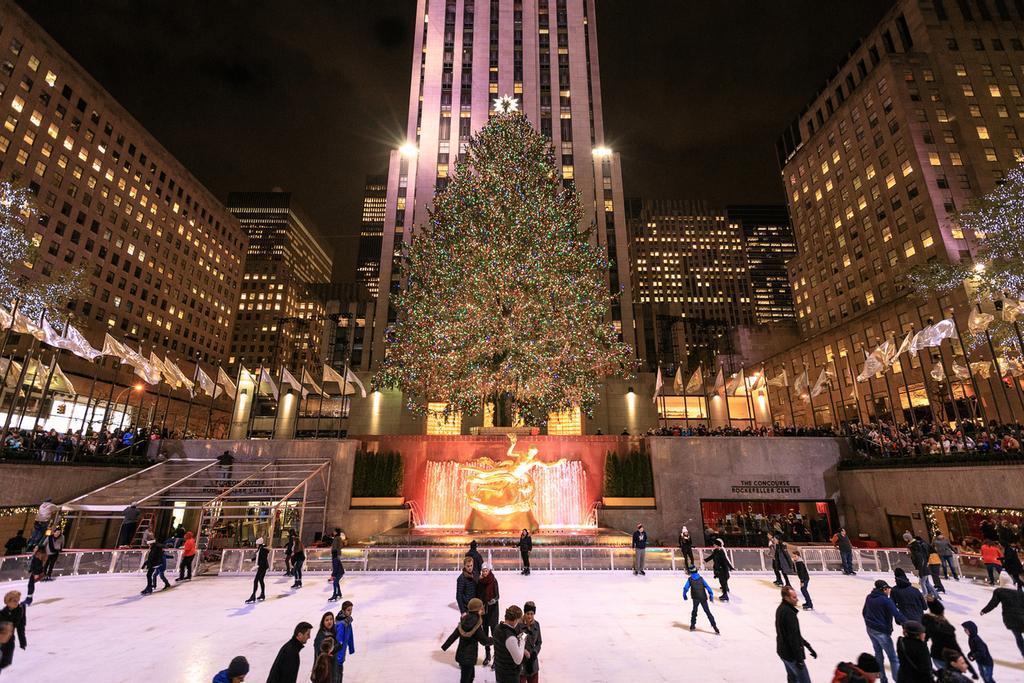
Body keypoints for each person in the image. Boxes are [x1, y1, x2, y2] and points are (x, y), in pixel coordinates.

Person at [862, 579, 906, 683]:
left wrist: (869, 622)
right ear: (884, 589)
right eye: (888, 589)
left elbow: (864, 612)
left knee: (878, 654)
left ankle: (883, 679)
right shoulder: (886, 600)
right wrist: (908, 623)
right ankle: (898, 679)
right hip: (881, 631)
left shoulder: (869, 597)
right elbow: (897, 614)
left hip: (870, 629)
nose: (889, 591)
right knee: (893, 657)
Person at [442, 597, 492, 683]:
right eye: (481, 608)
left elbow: (454, 635)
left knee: (470, 677)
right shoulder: (476, 624)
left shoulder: (464, 620)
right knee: (466, 679)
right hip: (469, 658)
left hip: (462, 655)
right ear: (478, 609)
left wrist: (445, 646)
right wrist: (496, 640)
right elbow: (484, 641)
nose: (482, 609)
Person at [776, 586, 817, 683]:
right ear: (786, 598)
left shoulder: (780, 609)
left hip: (783, 653)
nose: (797, 599)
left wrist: (808, 646)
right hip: (791, 656)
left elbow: (793, 634)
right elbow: (793, 638)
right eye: (794, 597)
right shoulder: (789, 614)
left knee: (793, 679)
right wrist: (799, 660)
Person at [923, 601, 975, 676]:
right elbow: (956, 648)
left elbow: (924, 638)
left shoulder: (928, 622)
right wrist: (971, 669)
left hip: (935, 656)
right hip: (948, 658)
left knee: (945, 677)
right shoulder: (946, 629)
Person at [979, 583, 1024, 658]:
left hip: (1011, 619)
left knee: (1018, 637)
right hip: (1022, 617)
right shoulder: (1019, 592)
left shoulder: (1000, 591)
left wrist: (984, 610)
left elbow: (993, 603)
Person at [492, 605, 526, 683]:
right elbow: (518, 660)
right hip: (510, 675)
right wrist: (522, 640)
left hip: (500, 670)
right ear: (515, 620)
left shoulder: (497, 628)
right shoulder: (510, 638)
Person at [682, 566, 719, 634]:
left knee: (694, 611)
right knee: (708, 612)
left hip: (695, 598)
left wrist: (684, 595)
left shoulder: (690, 579)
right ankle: (715, 627)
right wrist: (711, 596)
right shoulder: (701, 579)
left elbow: (685, 588)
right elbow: (708, 587)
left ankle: (692, 625)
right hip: (703, 597)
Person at [477, 564, 500, 667]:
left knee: (495, 635)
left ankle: (497, 658)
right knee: (485, 635)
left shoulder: (493, 580)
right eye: (483, 571)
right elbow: (478, 595)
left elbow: (497, 595)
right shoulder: (480, 582)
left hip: (493, 612)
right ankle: (487, 655)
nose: (484, 573)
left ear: (489, 571)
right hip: (484, 612)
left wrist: (493, 600)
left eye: (486, 571)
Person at [0, 591, 26, 671]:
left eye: (18, 600)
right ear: (8, 601)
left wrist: (22, 642)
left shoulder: (20, 611)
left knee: (7, 661)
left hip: (10, 639)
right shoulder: (1, 613)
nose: (17, 603)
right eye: (14, 601)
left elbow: (20, 627)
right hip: (1, 639)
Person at [519, 601, 542, 683]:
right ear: (524, 613)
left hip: (533, 662)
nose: (529, 616)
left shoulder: (536, 625)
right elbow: (519, 643)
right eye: (527, 613)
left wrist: (534, 654)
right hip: (522, 663)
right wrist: (525, 652)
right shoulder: (519, 626)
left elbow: (539, 642)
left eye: (532, 614)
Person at [334, 601, 355, 681]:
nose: (350, 612)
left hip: (342, 654)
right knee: (337, 675)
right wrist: (339, 657)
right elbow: (338, 641)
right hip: (338, 656)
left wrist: (351, 647)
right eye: (348, 610)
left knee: (340, 674)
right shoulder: (341, 624)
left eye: (351, 610)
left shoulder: (347, 621)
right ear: (343, 610)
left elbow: (350, 636)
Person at [246, 537, 269, 603]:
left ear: (259, 544)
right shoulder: (260, 549)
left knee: (256, 580)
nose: (256, 545)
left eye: (257, 544)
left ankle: (253, 596)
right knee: (261, 580)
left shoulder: (262, 550)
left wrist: (257, 566)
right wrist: (251, 560)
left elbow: (264, 559)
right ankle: (262, 594)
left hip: (262, 567)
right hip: (262, 566)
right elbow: (258, 557)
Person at [329, 529, 344, 601]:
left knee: (335, 582)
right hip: (339, 571)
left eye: (334, 531)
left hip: (339, 572)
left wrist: (332, 576)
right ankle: (339, 594)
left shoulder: (338, 538)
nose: (333, 532)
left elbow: (339, 546)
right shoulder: (335, 538)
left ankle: (335, 595)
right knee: (336, 582)